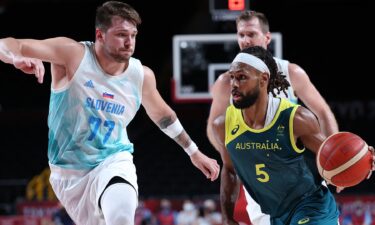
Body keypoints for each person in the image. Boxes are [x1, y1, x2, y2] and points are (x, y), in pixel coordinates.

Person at [0, 1, 220, 225]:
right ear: (100, 34)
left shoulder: (140, 75)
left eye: (133, 35)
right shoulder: (72, 55)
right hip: (68, 173)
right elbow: (8, 43)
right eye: (122, 34)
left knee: (121, 217)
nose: (129, 42)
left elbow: (163, 115)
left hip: (113, 160)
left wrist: (193, 151)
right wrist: (14, 58)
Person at [211, 46, 375, 225]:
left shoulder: (296, 118)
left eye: (242, 77)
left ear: (263, 79)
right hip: (276, 214)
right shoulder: (223, 125)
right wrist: (227, 217)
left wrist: (359, 158)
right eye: (232, 77)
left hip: (311, 206)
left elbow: (332, 152)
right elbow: (230, 170)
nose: (234, 84)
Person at [206, 10, 339, 225]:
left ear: (267, 37)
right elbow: (221, 143)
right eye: (241, 35)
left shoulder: (291, 75)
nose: (246, 40)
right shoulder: (225, 85)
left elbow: (323, 113)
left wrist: (337, 163)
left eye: (251, 33)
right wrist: (244, 156)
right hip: (262, 189)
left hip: (300, 181)